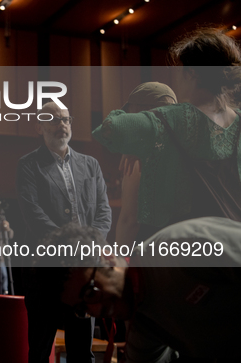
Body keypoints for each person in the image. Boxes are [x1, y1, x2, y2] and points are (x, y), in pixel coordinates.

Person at [93, 28, 241, 241]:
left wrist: (139, 140)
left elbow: (110, 128)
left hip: (187, 254)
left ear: (191, 73)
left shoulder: (169, 120)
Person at [42, 219, 241, 362]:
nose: (94, 311)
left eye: (91, 293)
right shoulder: (141, 325)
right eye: (82, 309)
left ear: (107, 257)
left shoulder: (181, 247)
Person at [16, 100, 112, 363]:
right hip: (44, 271)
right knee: (40, 349)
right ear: (39, 126)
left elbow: (104, 212)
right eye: (54, 119)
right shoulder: (28, 165)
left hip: (83, 271)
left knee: (82, 351)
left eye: (66, 119)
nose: (62, 124)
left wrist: (90, 244)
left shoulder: (91, 165)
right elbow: (34, 215)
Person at [115, 83, 177, 246]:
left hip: (153, 254)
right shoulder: (189, 147)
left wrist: (118, 262)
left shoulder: (139, 155)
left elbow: (130, 220)